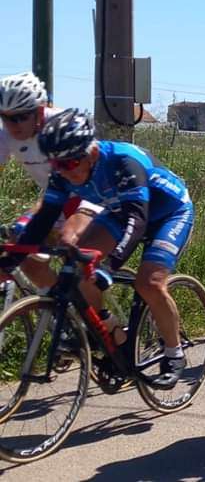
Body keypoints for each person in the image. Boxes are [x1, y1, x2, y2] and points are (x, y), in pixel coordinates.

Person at [0, 108, 195, 389]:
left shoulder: (123, 162)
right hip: (120, 212)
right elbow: (42, 220)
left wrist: (109, 266)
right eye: (56, 165)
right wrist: (11, 261)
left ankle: (174, 353)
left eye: (70, 163)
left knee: (149, 283)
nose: (64, 172)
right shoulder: (63, 172)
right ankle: (108, 331)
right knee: (81, 267)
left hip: (168, 213)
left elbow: (137, 221)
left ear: (91, 153)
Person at [0, 72, 100, 286]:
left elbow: (96, 169)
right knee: (24, 254)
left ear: (39, 110)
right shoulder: (4, 134)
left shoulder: (64, 125)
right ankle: (57, 304)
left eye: (20, 117)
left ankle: (92, 306)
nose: (13, 125)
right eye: (5, 117)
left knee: (79, 268)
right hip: (54, 201)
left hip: (89, 198)